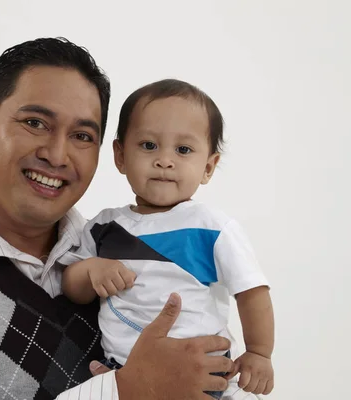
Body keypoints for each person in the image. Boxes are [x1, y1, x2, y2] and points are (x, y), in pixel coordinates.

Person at [0, 37, 235, 400]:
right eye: (35, 123)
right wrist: (126, 390)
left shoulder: (126, 250)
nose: (57, 155)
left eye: (83, 135)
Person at [61, 79, 275, 398]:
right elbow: (71, 288)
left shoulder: (212, 227)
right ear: (120, 155)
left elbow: (251, 291)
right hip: (123, 376)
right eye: (148, 145)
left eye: (183, 150)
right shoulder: (104, 226)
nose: (165, 160)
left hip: (202, 375)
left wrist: (259, 352)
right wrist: (92, 269)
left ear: (208, 167)